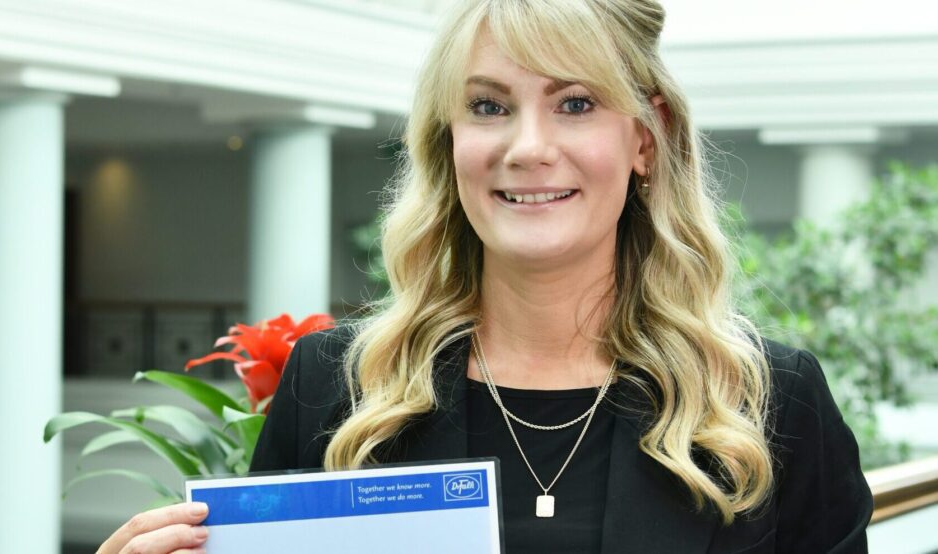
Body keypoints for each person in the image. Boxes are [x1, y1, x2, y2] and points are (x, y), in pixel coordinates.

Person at [98, 0, 873, 552]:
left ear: (646, 137)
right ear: (450, 141)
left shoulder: (769, 399)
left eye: (575, 102)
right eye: (489, 106)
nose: (528, 147)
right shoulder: (334, 386)